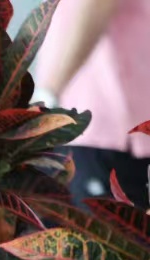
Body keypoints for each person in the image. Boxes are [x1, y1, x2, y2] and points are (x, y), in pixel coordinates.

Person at [39, 0, 150, 205]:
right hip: (99, 125)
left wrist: (47, 94)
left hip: (98, 123)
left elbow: (97, 3)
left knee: (97, 232)